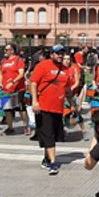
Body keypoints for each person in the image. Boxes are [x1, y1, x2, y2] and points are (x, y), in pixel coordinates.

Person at [30, 44, 71, 175]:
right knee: (48, 135)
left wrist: (72, 104)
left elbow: (68, 89)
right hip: (43, 107)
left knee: (53, 135)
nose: (60, 55)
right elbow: (33, 83)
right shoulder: (43, 66)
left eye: (62, 53)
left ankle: (47, 159)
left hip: (58, 108)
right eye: (57, 53)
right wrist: (35, 101)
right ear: (52, 54)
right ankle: (53, 163)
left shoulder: (66, 70)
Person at [0, 44, 26, 135]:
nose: (5, 51)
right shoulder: (3, 61)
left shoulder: (18, 60)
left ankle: (26, 126)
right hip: (6, 90)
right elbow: (0, 72)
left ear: (12, 51)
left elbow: (21, 74)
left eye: (7, 50)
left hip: (18, 88)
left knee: (21, 108)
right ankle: (10, 128)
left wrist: (12, 82)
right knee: (7, 109)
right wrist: (0, 82)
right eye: (4, 49)